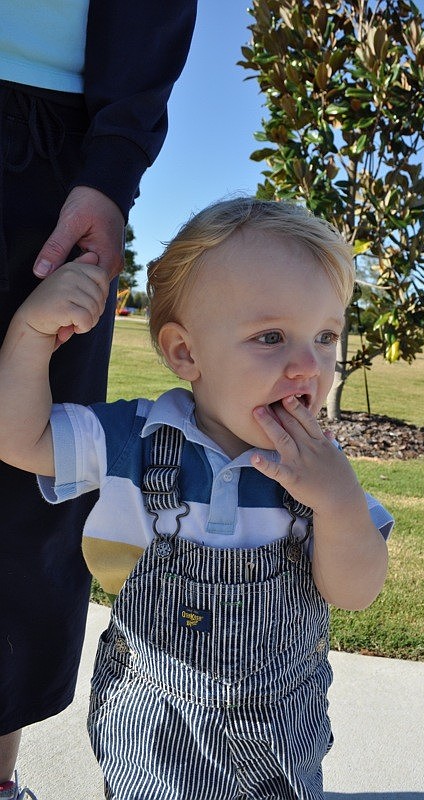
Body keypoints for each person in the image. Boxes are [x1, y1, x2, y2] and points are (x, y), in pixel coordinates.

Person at [0, 197, 394, 800]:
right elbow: (21, 439)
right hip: (151, 737)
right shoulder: (136, 438)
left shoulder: (321, 473)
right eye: (271, 336)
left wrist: (339, 503)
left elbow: (356, 590)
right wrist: (30, 334)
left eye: (325, 336)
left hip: (278, 745)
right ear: (186, 353)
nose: (307, 365)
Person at [0, 2, 197, 798]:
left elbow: (30, 448)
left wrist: (111, 167)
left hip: (45, 136)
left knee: (19, 516)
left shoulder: (158, 439)